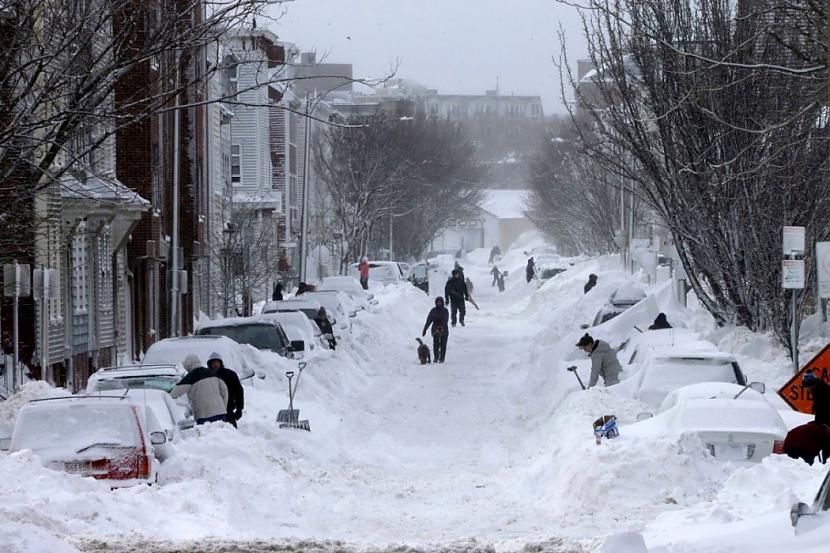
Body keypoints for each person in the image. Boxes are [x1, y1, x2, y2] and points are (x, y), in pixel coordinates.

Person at [170, 354, 229, 425]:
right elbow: (225, 391)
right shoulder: (213, 373)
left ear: (188, 366)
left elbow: (174, 394)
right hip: (221, 412)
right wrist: (223, 407)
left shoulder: (190, 377)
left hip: (203, 415)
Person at [207, 352, 244, 428]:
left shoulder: (230, 374)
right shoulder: (206, 376)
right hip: (211, 413)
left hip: (228, 411)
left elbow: (238, 392)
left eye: (217, 362)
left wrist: (239, 408)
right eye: (213, 363)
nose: (215, 364)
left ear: (221, 363)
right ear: (210, 364)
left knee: (230, 435)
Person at [422, 297, 450, 363]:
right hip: (435, 329)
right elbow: (429, 320)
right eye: (437, 302)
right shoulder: (433, 310)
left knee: (443, 344)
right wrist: (425, 329)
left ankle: (442, 358)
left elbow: (446, 319)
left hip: (444, 329)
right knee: (436, 344)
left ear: (442, 303)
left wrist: (442, 326)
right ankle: (436, 357)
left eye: (440, 302)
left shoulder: (445, 310)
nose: (439, 303)